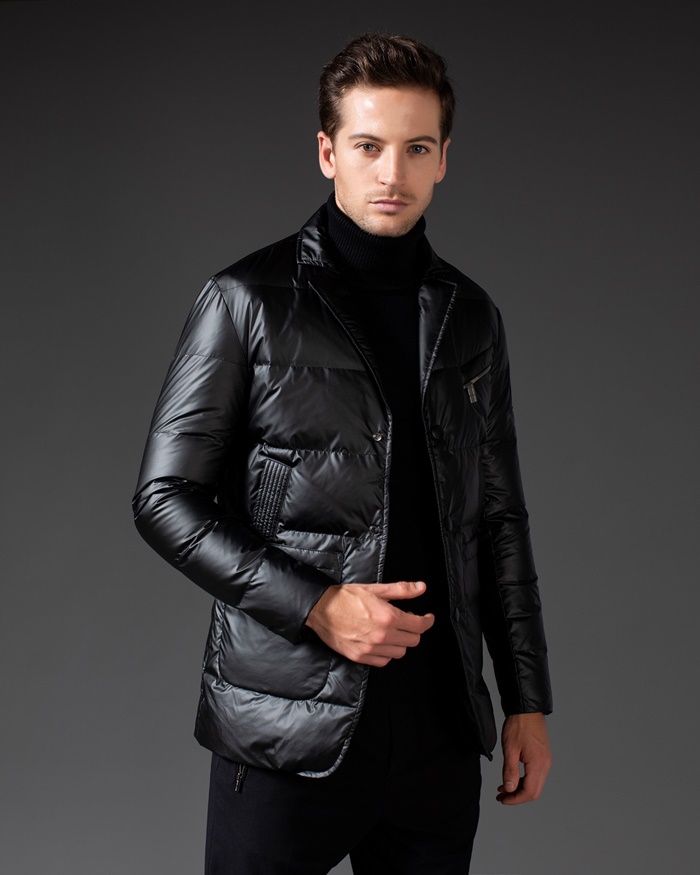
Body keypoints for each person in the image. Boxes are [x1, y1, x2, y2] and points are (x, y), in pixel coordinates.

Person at [133, 32, 552, 875]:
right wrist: (318, 604)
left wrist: (526, 700)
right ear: (328, 153)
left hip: (437, 735)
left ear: (444, 160)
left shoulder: (471, 317)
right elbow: (165, 498)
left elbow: (499, 519)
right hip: (285, 729)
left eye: (416, 148)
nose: (392, 172)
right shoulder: (245, 301)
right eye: (368, 146)